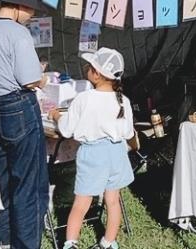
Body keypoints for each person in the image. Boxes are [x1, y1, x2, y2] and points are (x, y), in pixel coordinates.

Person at [0, 0, 49, 249]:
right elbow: (29, 79)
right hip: (19, 107)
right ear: (19, 6)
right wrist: (42, 77)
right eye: (31, 8)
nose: (31, 15)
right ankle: (26, 244)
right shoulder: (18, 33)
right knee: (28, 185)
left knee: (1, 182)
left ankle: (1, 241)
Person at [49, 47, 134, 249]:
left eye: (90, 66)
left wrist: (56, 116)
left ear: (96, 74)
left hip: (93, 154)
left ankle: (70, 243)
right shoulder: (124, 100)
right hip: (117, 153)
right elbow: (128, 132)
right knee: (113, 200)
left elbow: (67, 130)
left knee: (81, 202)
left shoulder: (84, 98)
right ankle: (109, 241)